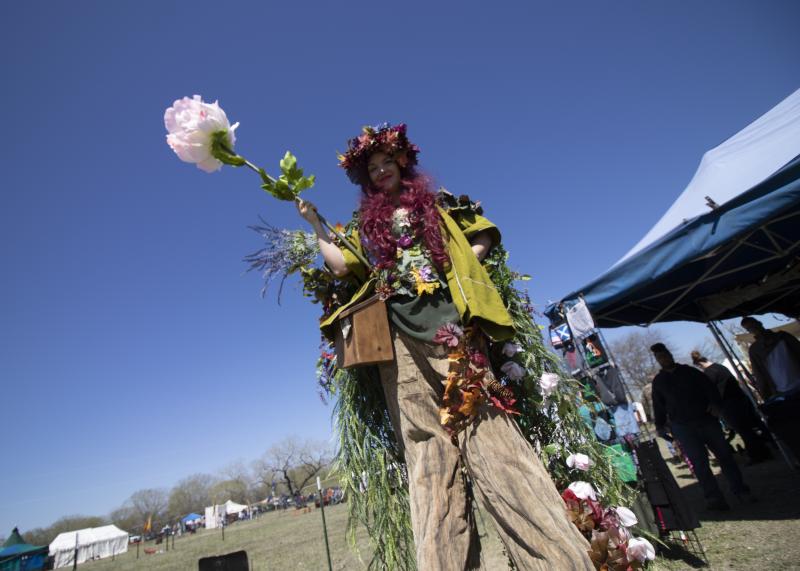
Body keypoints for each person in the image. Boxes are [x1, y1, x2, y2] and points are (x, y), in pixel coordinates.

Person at [297, 123, 593, 570]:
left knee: (492, 444)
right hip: (399, 349)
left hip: (453, 334)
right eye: (372, 168)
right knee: (428, 463)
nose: (380, 171)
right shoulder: (364, 227)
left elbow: (486, 232)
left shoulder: (437, 205)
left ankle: (557, 561)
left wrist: (460, 264)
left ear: (401, 163)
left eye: (386, 163)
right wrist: (315, 223)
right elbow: (342, 267)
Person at [650, 343, 751, 510]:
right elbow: (658, 406)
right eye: (660, 357)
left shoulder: (690, 372)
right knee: (699, 464)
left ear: (670, 354)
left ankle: (740, 490)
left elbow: (711, 388)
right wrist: (660, 425)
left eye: (666, 354)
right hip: (683, 427)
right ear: (657, 360)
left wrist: (715, 404)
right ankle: (714, 499)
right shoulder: (659, 381)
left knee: (725, 456)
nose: (664, 358)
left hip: (706, 420)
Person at [690, 351, 771, 464]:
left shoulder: (709, 373)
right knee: (750, 427)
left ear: (699, 364)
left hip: (729, 404)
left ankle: (757, 454)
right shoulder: (720, 367)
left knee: (743, 430)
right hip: (741, 398)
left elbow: (709, 391)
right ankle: (765, 450)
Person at [740, 316, 800, 460]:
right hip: (781, 392)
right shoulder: (755, 349)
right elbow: (759, 374)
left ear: (759, 323)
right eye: (749, 328)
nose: (753, 329)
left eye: (753, 326)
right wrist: (766, 394)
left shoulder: (782, 337)